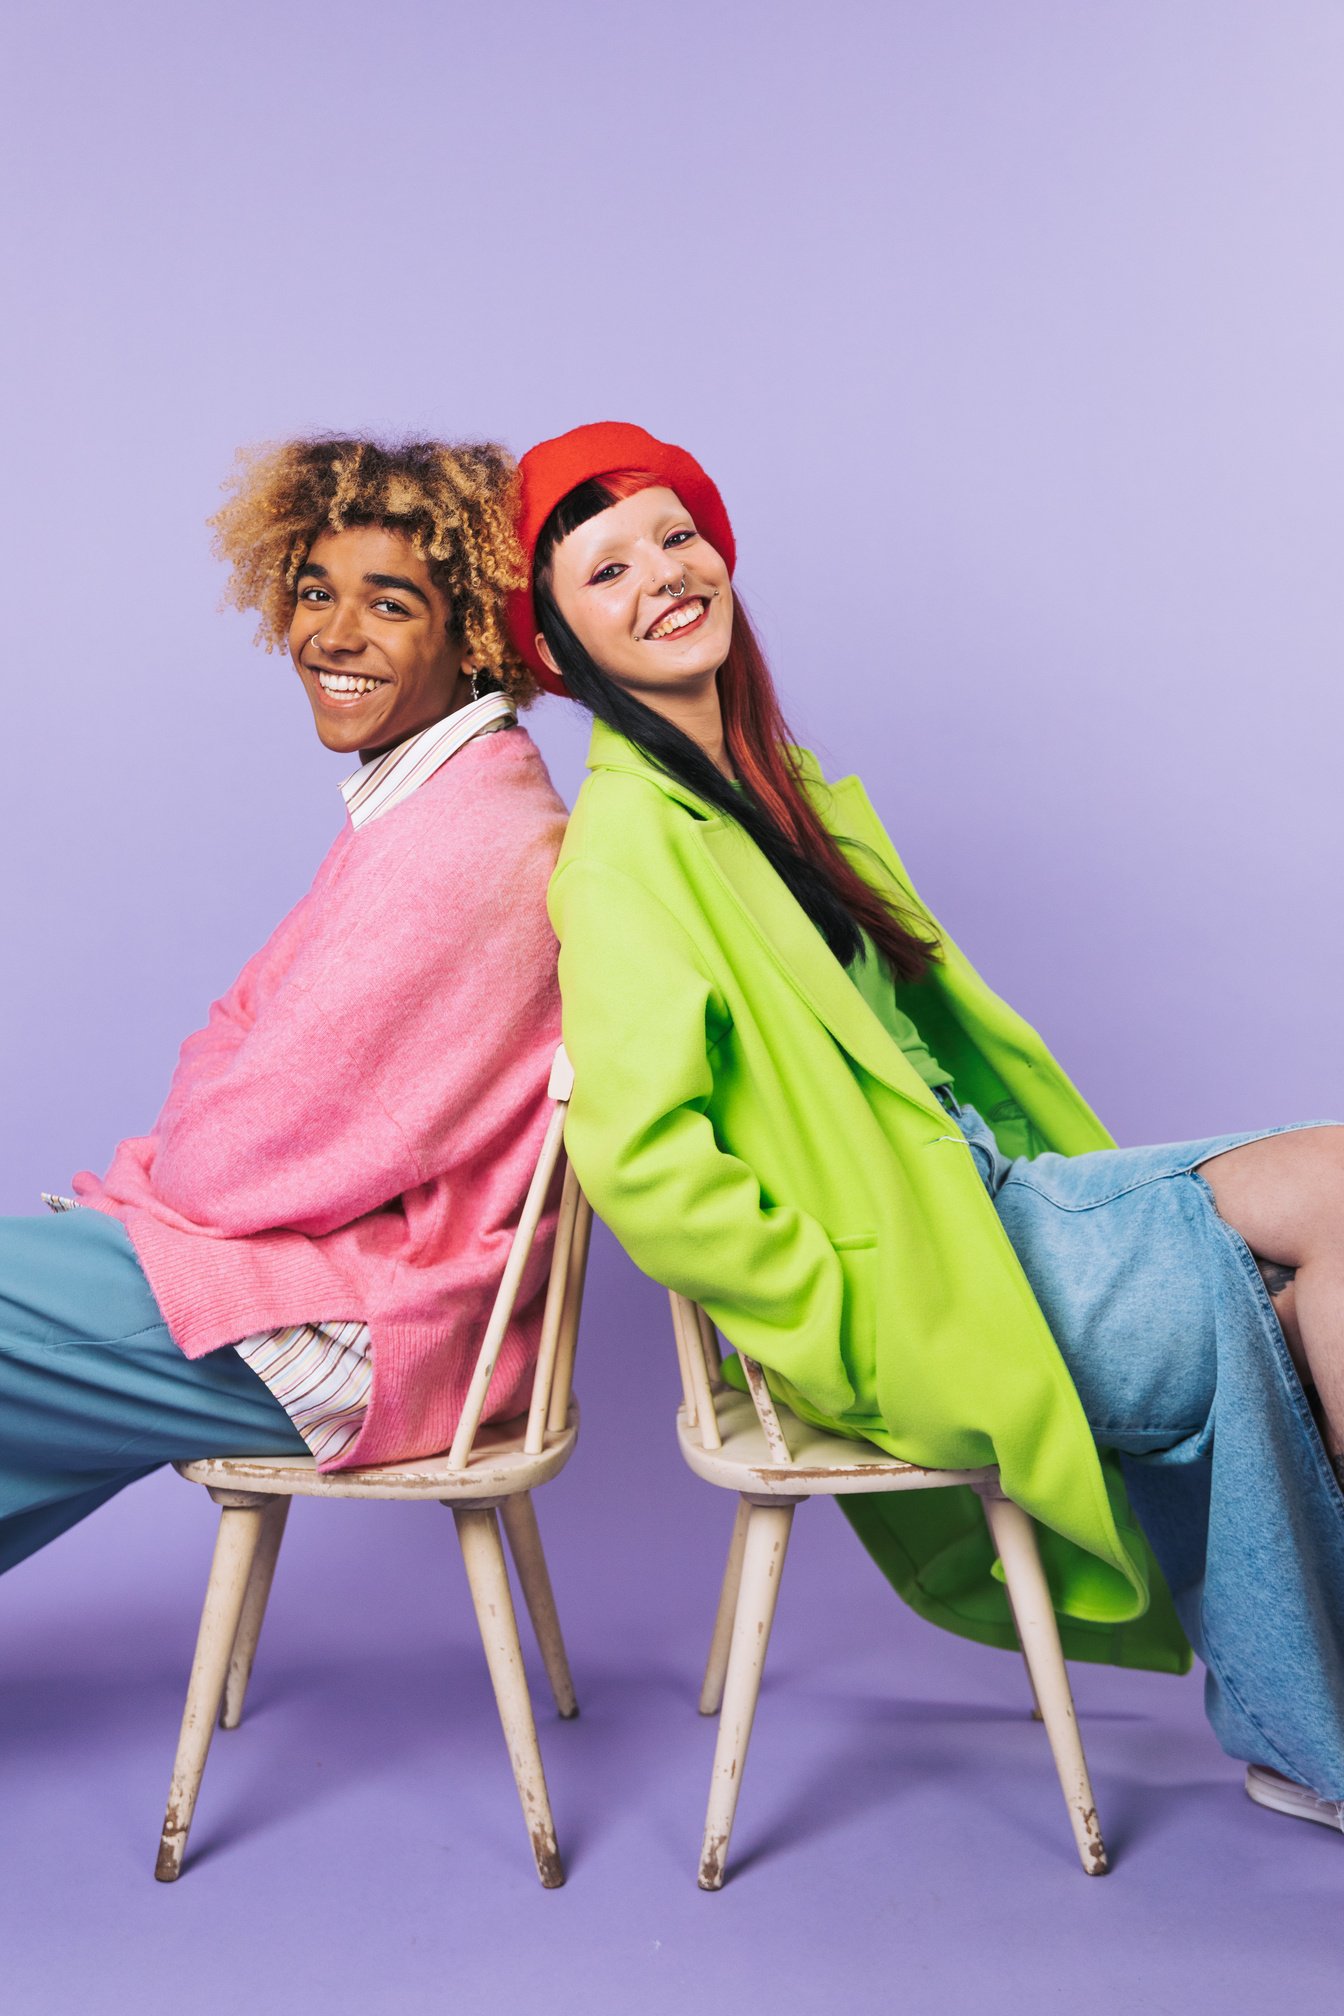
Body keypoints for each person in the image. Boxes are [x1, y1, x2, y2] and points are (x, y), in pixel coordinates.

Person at [508, 419, 1344, 1836]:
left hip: (1009, 1206)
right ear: (563, 642)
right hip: (944, 1279)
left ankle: (1301, 1719)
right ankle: (1295, 1717)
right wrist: (863, 1330)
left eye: (678, 535)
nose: (665, 573)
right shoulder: (627, 855)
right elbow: (644, 1166)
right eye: (608, 569)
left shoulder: (778, 789)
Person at [1, 435, 568, 1575]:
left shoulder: (467, 851)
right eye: (314, 592)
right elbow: (238, 1028)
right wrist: (235, 1090)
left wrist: (212, 1123)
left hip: (365, 1326)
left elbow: (223, 1157)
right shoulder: (431, 802)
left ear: (472, 633)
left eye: (390, 603)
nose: (332, 635)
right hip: (312, 1280)